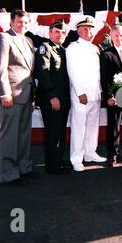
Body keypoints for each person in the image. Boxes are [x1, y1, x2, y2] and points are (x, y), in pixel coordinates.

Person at [0, 9, 35, 184]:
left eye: (25, 22)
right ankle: (8, 173)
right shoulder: (3, 38)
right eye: (19, 22)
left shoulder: (28, 40)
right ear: (12, 22)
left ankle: (24, 168)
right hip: (9, 95)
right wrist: (4, 93)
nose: (22, 25)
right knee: (9, 135)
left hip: (25, 94)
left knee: (23, 133)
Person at [66, 17, 106, 172]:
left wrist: (100, 91)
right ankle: (76, 158)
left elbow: (96, 73)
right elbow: (73, 71)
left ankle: (90, 152)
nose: (90, 31)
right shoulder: (73, 48)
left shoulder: (94, 48)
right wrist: (80, 92)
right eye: (87, 29)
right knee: (78, 127)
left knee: (92, 126)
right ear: (80, 31)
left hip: (94, 93)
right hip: (81, 95)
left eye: (91, 28)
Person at [35, 19, 71, 175]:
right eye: (57, 32)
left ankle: (59, 160)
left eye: (63, 32)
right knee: (52, 132)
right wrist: (52, 96)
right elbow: (43, 74)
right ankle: (52, 165)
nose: (60, 34)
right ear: (50, 33)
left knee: (61, 131)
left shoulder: (62, 50)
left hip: (63, 99)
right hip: (51, 99)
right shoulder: (45, 48)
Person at [100, 24, 122, 167]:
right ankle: (112, 154)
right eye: (116, 35)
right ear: (111, 37)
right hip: (114, 96)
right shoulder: (106, 54)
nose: (119, 38)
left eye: (121, 35)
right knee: (114, 125)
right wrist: (109, 96)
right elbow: (105, 77)